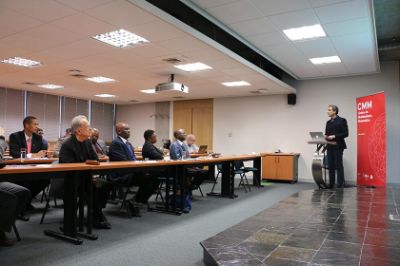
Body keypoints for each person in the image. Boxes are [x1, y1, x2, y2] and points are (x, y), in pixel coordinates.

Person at [59, 115, 111, 229]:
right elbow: (68, 167)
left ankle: (95, 214)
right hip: (70, 181)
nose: (91, 130)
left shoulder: (87, 142)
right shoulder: (67, 145)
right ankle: (95, 217)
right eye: (88, 127)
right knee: (93, 187)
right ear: (78, 130)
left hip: (85, 178)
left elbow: (95, 159)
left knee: (105, 185)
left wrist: (91, 173)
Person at [108, 123, 159, 216]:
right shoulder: (116, 143)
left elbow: (133, 160)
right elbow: (123, 162)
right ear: (119, 131)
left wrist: (139, 165)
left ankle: (135, 201)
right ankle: (135, 201)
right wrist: (139, 167)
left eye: (129, 129)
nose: (129, 131)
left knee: (155, 178)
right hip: (121, 174)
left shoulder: (128, 143)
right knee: (147, 177)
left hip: (130, 171)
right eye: (127, 129)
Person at [8, 116, 49, 209]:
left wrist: (42, 155)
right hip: (19, 167)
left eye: (37, 124)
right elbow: (14, 154)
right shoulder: (15, 136)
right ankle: (22, 205)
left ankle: (25, 201)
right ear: (26, 125)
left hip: (34, 167)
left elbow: (42, 153)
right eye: (35, 124)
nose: (37, 127)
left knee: (46, 179)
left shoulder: (38, 138)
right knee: (24, 180)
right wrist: (32, 155)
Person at [325, 104, 349, 188]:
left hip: (338, 146)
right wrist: (325, 136)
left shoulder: (342, 120)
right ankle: (331, 184)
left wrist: (334, 136)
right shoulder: (328, 122)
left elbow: (346, 133)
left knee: (338, 165)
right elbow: (327, 133)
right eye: (328, 110)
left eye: (329, 110)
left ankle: (339, 184)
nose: (327, 111)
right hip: (329, 146)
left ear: (334, 111)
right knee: (330, 166)